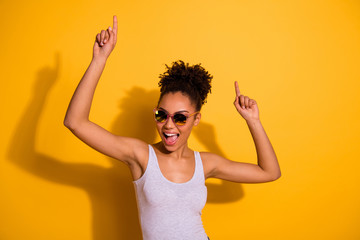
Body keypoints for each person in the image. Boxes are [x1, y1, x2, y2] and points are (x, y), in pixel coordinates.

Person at [64, 16, 281, 240]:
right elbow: (75, 122)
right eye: (161, 115)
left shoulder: (205, 164)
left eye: (180, 118)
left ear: (196, 119)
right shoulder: (141, 156)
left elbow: (270, 172)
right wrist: (99, 60)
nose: (168, 125)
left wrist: (253, 121)